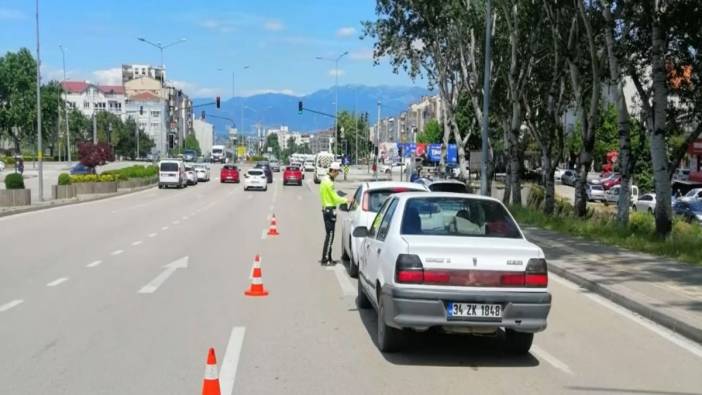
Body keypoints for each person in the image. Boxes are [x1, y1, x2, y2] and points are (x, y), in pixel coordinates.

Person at [319, 162, 353, 266]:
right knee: (330, 235)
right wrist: (347, 200)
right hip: (330, 210)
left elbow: (332, 195)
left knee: (329, 235)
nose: (338, 174)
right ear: (333, 171)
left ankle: (328, 257)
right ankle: (325, 259)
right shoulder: (329, 182)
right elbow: (335, 198)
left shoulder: (324, 180)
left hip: (326, 209)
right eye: (337, 172)